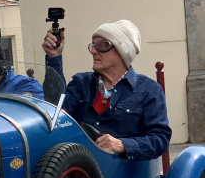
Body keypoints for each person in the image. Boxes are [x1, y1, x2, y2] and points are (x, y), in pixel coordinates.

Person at [43, 20, 172, 161]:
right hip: (78, 173)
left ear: (122, 51)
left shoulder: (148, 90)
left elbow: (160, 139)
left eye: (102, 45)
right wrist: (54, 57)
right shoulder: (82, 83)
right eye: (93, 45)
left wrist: (123, 145)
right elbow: (54, 113)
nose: (93, 51)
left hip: (121, 176)